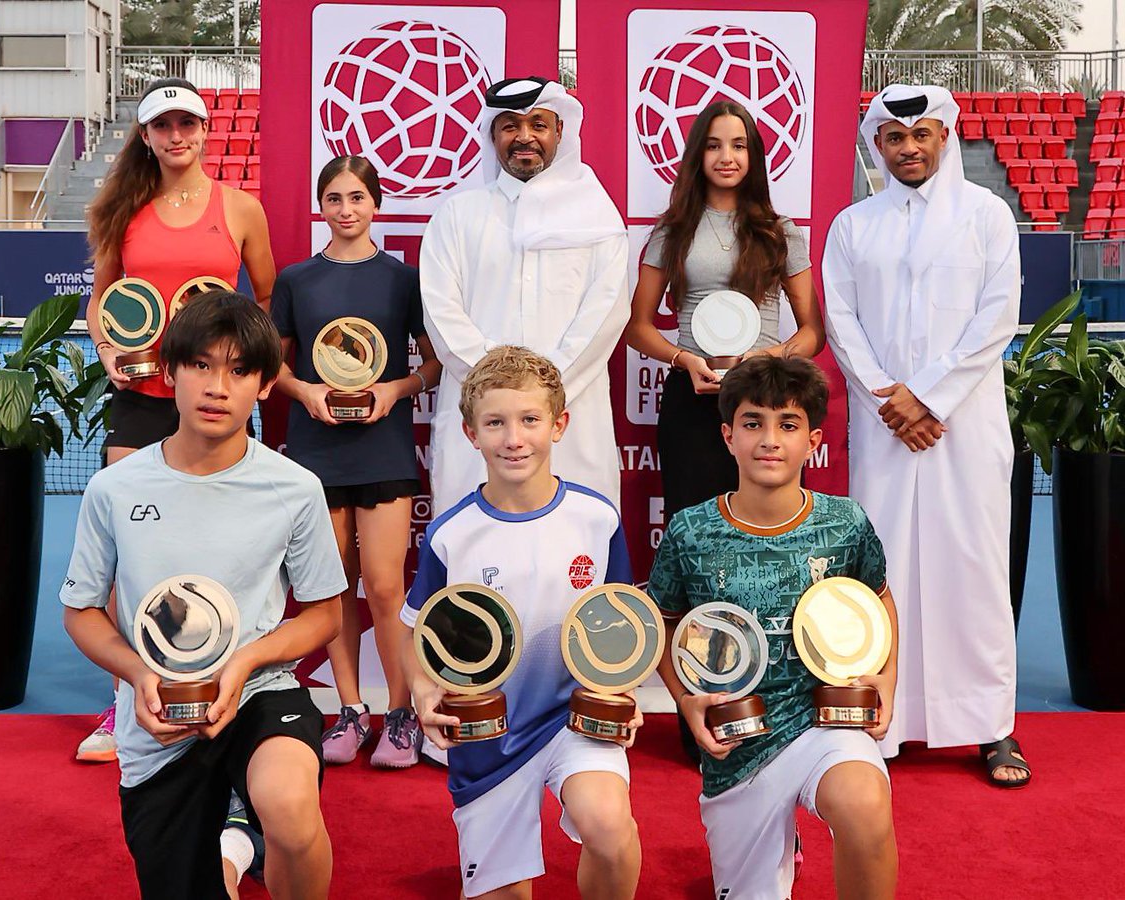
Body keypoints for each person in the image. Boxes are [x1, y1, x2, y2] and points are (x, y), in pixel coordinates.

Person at [61, 292, 347, 899]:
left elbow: (324, 614)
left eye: (240, 370)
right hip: (159, 717)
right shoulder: (113, 489)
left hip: (260, 693)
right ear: (170, 372)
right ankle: (234, 847)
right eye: (202, 365)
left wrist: (244, 663)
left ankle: (254, 822)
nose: (219, 386)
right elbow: (82, 611)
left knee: (290, 807)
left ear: (266, 385)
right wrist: (138, 676)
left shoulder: (295, 488)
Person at [822, 84, 1029, 787]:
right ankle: (883, 720)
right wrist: (891, 397)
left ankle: (992, 725)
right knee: (879, 569)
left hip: (963, 426)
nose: (908, 148)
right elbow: (842, 321)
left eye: (921, 135)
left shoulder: (988, 216)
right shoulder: (853, 225)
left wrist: (929, 397)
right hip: (886, 428)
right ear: (877, 145)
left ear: (944, 137)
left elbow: (997, 319)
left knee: (972, 567)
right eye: (893, 137)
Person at [77, 75, 276, 762]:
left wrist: (256, 374)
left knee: (221, 545)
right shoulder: (121, 211)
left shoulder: (242, 209)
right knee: (123, 551)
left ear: (205, 128)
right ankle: (123, 699)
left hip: (216, 399)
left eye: (188, 122)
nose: (178, 136)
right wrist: (108, 353)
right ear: (147, 136)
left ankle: (222, 686)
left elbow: (267, 302)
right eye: (164, 126)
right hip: (139, 399)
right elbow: (101, 301)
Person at [650, 355, 899, 900]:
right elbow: (662, 626)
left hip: (824, 720)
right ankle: (778, 852)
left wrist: (886, 676)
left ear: (812, 441)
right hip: (738, 741)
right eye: (753, 423)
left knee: (864, 805)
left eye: (787, 426)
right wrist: (684, 698)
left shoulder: (845, 522)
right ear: (727, 435)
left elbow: (878, 598)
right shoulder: (691, 531)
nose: (770, 439)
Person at [399, 347, 642, 899]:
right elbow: (416, 627)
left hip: (573, 719)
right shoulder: (451, 534)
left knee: (609, 828)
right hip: (488, 735)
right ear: (470, 432)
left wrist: (621, 693)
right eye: (496, 423)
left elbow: (624, 626)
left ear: (559, 425)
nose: (514, 438)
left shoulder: (597, 518)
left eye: (530, 420)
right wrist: (420, 688)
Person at [272, 155, 442, 768]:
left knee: (387, 584)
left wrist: (394, 391)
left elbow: (433, 362)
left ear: (376, 204)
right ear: (321, 207)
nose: (346, 210)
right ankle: (350, 709)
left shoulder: (404, 280)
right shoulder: (296, 280)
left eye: (357, 198)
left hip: (384, 443)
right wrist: (307, 393)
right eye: (335, 199)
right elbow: (275, 366)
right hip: (316, 450)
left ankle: (401, 712)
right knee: (330, 585)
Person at [419, 76, 629, 515]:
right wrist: (496, 393)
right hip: (480, 420)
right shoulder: (458, 215)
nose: (525, 137)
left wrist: (543, 396)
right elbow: (442, 313)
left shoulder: (596, 215)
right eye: (510, 125)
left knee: (579, 559)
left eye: (539, 124)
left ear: (559, 133)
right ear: (493, 135)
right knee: (472, 560)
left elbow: (606, 312)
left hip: (571, 413)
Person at [626, 100, 824, 515]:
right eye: (714, 146)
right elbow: (637, 327)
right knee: (693, 522)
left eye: (739, 145)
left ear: (753, 155)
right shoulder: (672, 230)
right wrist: (683, 360)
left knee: (772, 522)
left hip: (766, 396)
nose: (727, 157)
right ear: (698, 155)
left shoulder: (779, 231)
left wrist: (763, 359)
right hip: (693, 395)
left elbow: (812, 333)